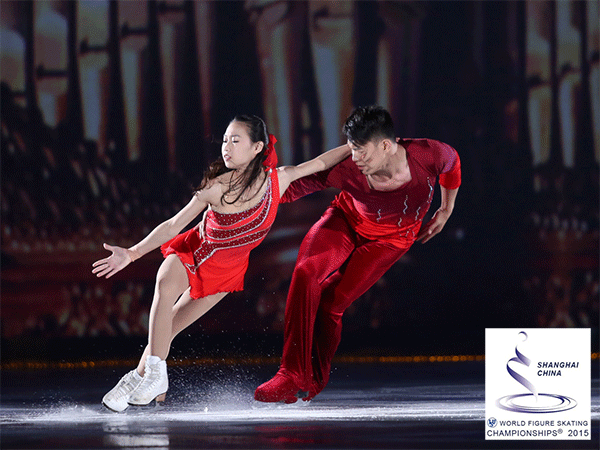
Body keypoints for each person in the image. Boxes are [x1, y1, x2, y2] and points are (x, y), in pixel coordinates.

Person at [92, 115, 350, 412]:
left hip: (225, 273)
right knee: (164, 283)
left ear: (257, 147)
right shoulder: (216, 187)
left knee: (169, 326)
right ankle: (154, 376)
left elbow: (320, 162)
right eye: (225, 140)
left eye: (235, 140)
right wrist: (133, 253)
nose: (226, 147)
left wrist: (353, 146)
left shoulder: (279, 180)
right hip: (195, 253)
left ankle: (136, 379)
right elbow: (174, 224)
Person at [254, 106, 461, 403]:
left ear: (386, 146)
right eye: (352, 149)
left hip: (391, 241)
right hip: (346, 221)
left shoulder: (429, 154)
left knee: (332, 303)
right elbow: (293, 188)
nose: (355, 157)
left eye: (361, 151)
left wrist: (446, 209)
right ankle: (291, 374)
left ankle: (314, 379)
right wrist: (251, 195)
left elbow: (453, 165)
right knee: (305, 273)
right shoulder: (348, 168)